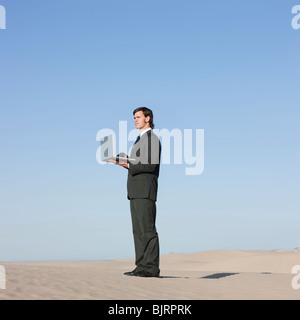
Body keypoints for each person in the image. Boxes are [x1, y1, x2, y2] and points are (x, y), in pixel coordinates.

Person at [110, 107, 161, 277]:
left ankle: (151, 268)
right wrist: (124, 160)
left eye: (138, 117)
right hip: (135, 191)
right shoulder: (139, 139)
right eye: (134, 117)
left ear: (148, 118)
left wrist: (128, 164)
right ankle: (141, 266)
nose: (135, 120)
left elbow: (150, 165)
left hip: (145, 191)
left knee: (147, 230)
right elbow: (140, 163)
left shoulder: (152, 138)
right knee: (137, 230)